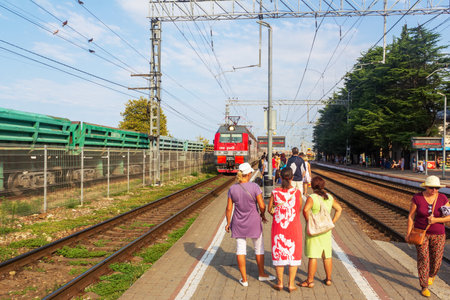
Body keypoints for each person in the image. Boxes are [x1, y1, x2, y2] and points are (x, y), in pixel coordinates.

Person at [225, 162, 275, 286]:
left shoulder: (232, 189)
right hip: (254, 221)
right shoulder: (255, 187)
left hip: (238, 222)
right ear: (248, 174)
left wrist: (228, 223)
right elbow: (262, 205)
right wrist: (262, 215)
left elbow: (228, 209)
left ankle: (244, 279)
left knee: (240, 249)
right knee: (259, 248)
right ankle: (262, 274)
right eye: (251, 172)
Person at [406, 175, 450, 297]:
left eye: (437, 188)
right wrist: (409, 233)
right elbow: (411, 216)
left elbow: (449, 217)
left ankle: (432, 275)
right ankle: (424, 286)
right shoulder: (417, 198)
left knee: (436, 261)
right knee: (423, 259)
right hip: (421, 233)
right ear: (426, 187)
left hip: (439, 234)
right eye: (431, 188)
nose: (434, 190)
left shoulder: (442, 198)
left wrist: (435, 220)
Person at [300, 176, 342, 288]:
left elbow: (305, 210)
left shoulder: (312, 197)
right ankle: (328, 279)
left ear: (312, 186)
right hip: (326, 230)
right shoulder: (329, 197)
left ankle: (310, 281)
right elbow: (339, 209)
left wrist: (309, 221)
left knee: (313, 255)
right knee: (327, 255)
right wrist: (332, 222)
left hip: (314, 230)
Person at [268, 167, 302, 292]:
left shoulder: (275, 192)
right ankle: (291, 284)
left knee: (279, 251)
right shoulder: (297, 192)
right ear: (292, 178)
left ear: (280, 177)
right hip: (293, 226)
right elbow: (297, 209)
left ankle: (280, 283)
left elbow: (269, 208)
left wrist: (277, 215)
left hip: (278, 226)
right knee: (294, 254)